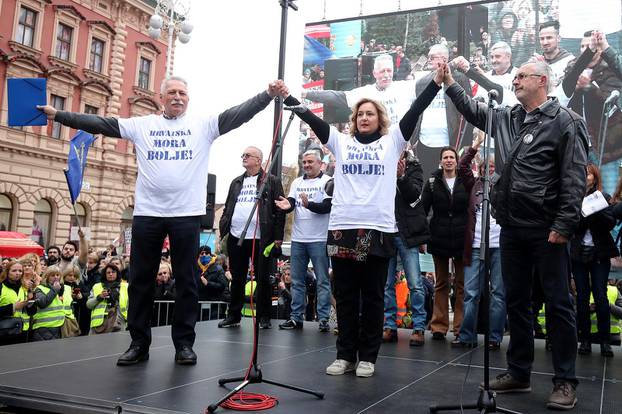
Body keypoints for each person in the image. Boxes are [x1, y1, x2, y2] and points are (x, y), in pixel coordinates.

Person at [38, 77, 285, 365]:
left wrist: (267, 95)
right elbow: (100, 123)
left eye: (182, 93)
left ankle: (183, 345)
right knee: (141, 281)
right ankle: (138, 343)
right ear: (161, 97)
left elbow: (238, 114)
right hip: (147, 214)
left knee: (187, 281)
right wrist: (59, 115)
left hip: (185, 215)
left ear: (188, 99)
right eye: (172, 93)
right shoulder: (142, 125)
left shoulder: (203, 125)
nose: (178, 97)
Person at [442, 59, 589, 410]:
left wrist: (564, 225)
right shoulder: (508, 117)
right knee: (516, 303)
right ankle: (519, 372)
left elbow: (574, 176)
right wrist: (449, 82)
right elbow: (473, 109)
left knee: (558, 304)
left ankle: (565, 381)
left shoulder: (565, 121)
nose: (515, 79)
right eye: (515, 76)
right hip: (511, 226)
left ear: (543, 81)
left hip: (547, 229)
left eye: (522, 75)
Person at [281, 64, 444, 378]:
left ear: (379, 118)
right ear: (353, 120)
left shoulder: (393, 141)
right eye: (359, 114)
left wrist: (436, 83)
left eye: (370, 113)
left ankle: (368, 356)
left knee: (372, 296)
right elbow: (310, 118)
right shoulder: (341, 143)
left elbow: (416, 108)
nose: (364, 118)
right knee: (345, 295)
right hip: (343, 229)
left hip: (378, 230)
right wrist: (289, 96)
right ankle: (345, 355)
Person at [218, 146, 285, 330]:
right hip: (236, 235)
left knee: (262, 278)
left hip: (260, 238)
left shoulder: (271, 181)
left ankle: (264, 316)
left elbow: (280, 211)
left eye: (248, 155)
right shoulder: (236, 182)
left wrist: (277, 239)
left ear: (259, 160)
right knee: (237, 278)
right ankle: (233, 315)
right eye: (243, 155)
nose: (244, 157)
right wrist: (223, 228)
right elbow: (228, 207)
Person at [455, 130, 506, 349]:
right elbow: (462, 167)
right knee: (471, 293)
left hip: (499, 246)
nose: (488, 171)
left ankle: (494, 338)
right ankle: (467, 336)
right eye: (485, 168)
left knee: (498, 293)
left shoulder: (504, 186)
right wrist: (476, 144)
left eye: (492, 168)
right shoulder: (473, 185)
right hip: (475, 246)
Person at [275, 149, 332, 332]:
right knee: (297, 281)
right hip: (298, 239)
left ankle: (323, 319)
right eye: (304, 162)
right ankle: (295, 318)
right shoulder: (297, 182)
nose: (306, 165)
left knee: (322, 281)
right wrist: (286, 207)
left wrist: (309, 205)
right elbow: (291, 203)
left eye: (310, 162)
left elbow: (327, 207)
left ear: (319, 163)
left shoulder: (328, 181)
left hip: (319, 239)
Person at [382, 147, 430, 346]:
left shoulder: (414, 168)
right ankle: (389, 326)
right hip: (384, 232)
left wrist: (401, 176)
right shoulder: (382, 166)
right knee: (386, 285)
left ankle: (418, 327)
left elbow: (414, 197)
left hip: (406, 233)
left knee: (415, 283)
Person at [421, 146, 468, 342]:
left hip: (461, 237)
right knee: (440, 282)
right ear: (441, 161)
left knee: (461, 284)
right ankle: (439, 326)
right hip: (438, 236)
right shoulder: (432, 182)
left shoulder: (466, 181)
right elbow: (423, 210)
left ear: (457, 161)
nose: (449, 160)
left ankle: (460, 327)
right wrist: (422, 237)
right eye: (445, 157)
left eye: (451, 157)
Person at [570, 164, 618, 357]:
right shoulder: (574, 198)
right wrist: (584, 211)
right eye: (583, 174)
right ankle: (585, 340)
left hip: (599, 254)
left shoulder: (604, 198)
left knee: (600, 295)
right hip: (579, 253)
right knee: (581, 297)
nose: (586, 177)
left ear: (595, 177)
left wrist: (594, 209)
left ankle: (605, 342)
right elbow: (573, 224)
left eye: (588, 174)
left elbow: (610, 222)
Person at [562, 30, 622, 164]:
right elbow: (563, 98)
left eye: (592, 45)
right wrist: (575, 89)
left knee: (605, 185)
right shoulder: (571, 68)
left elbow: (612, 103)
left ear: (600, 50)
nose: (586, 49)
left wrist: (590, 88)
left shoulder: (610, 69)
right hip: (577, 143)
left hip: (605, 146)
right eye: (583, 46)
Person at [302, 54, 415, 125]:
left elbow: (428, 83)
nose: (386, 75)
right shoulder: (365, 92)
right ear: (374, 73)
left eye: (389, 71)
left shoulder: (404, 88)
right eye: (382, 71)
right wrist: (307, 94)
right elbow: (336, 97)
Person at [87, 263, 128, 334]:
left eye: (113, 272)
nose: (111, 274)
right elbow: (88, 305)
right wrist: (99, 297)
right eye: (108, 272)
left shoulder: (125, 286)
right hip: (99, 325)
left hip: (119, 323)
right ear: (104, 274)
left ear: (117, 273)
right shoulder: (97, 286)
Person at [535, 21, 574, 87]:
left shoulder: (570, 62)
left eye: (549, 38)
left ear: (558, 38)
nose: (545, 42)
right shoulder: (535, 62)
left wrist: (545, 68)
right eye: (542, 39)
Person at [31, 267, 65, 341]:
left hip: (59, 325)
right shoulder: (39, 288)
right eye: (52, 275)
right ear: (46, 277)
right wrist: (54, 290)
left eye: (57, 275)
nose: (56, 277)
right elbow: (42, 303)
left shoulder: (59, 289)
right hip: (44, 327)